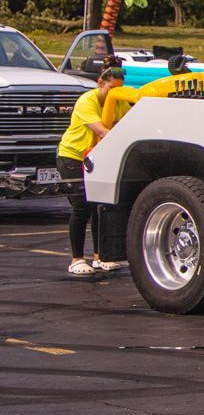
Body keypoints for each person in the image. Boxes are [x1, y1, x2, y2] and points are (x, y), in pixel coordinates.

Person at [56, 61, 132, 275]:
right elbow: (103, 132)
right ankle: (76, 258)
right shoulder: (86, 102)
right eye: (110, 88)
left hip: (97, 158)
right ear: (100, 83)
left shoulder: (118, 102)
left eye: (118, 89)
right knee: (82, 207)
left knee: (101, 207)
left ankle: (100, 256)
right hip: (73, 157)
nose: (113, 93)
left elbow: (128, 124)